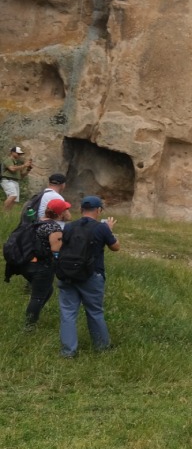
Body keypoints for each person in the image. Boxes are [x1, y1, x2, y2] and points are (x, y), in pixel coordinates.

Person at [57, 195, 119, 357]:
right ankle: (102, 347)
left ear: (81, 210)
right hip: (91, 274)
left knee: (68, 313)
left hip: (67, 273)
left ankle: (68, 351)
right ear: (98, 210)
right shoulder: (102, 228)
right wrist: (110, 230)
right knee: (94, 311)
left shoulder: (69, 227)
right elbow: (115, 247)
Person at [23, 198, 70, 330]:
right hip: (43, 266)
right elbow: (56, 249)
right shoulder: (54, 227)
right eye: (65, 209)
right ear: (60, 213)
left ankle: (33, 315)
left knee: (47, 290)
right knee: (38, 296)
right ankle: (29, 325)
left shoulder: (36, 221)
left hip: (29, 262)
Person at [2, 146, 31, 211]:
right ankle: (3, 212)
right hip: (7, 180)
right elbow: (12, 169)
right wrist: (24, 165)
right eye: (18, 153)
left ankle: (7, 214)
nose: (19, 155)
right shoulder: (8, 160)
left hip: (15, 181)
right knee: (13, 195)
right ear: (12, 152)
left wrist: (28, 170)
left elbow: (21, 176)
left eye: (20, 154)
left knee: (14, 200)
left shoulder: (17, 163)